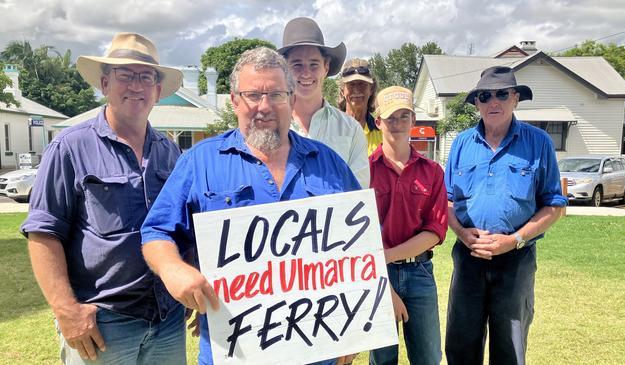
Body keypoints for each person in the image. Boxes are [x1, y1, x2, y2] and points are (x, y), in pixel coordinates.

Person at [139, 47, 361, 365]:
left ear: (292, 99)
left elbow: (358, 247)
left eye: (276, 95)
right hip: (233, 350)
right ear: (234, 101)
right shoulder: (199, 161)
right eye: (253, 95)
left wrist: (353, 330)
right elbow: (157, 231)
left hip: (317, 349)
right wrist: (173, 270)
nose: (265, 107)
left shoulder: (329, 163)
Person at [20, 32, 186, 364]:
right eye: (125, 75)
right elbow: (43, 234)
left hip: (167, 320)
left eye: (146, 76)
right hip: (103, 322)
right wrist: (66, 311)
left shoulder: (170, 153)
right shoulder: (70, 148)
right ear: (105, 84)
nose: (136, 85)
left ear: (157, 90)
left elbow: (183, 228)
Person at [444, 66, 567, 365]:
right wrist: (462, 233)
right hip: (468, 258)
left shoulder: (538, 143)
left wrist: (513, 241)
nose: (493, 102)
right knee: (460, 345)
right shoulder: (461, 143)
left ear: (515, 98)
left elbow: (554, 206)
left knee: (509, 349)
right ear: (476, 103)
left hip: (516, 261)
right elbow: (446, 201)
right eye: (485, 96)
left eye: (501, 94)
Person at [368, 86, 448, 365]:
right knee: (382, 359)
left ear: (414, 121)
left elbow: (435, 231)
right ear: (378, 121)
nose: (398, 124)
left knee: (427, 357)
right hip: (379, 276)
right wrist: (381, 269)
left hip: (420, 272)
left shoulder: (433, 171)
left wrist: (388, 255)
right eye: (391, 117)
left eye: (405, 116)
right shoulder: (364, 170)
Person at [277, 17, 370, 188]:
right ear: (284, 69)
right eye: (297, 65)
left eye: (314, 64)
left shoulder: (351, 130)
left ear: (326, 67)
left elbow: (358, 193)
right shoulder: (269, 127)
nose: (306, 73)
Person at [338, 58, 382, 155]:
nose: (357, 90)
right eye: (351, 84)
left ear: (371, 89)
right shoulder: (331, 128)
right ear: (342, 91)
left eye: (362, 84)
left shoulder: (381, 131)